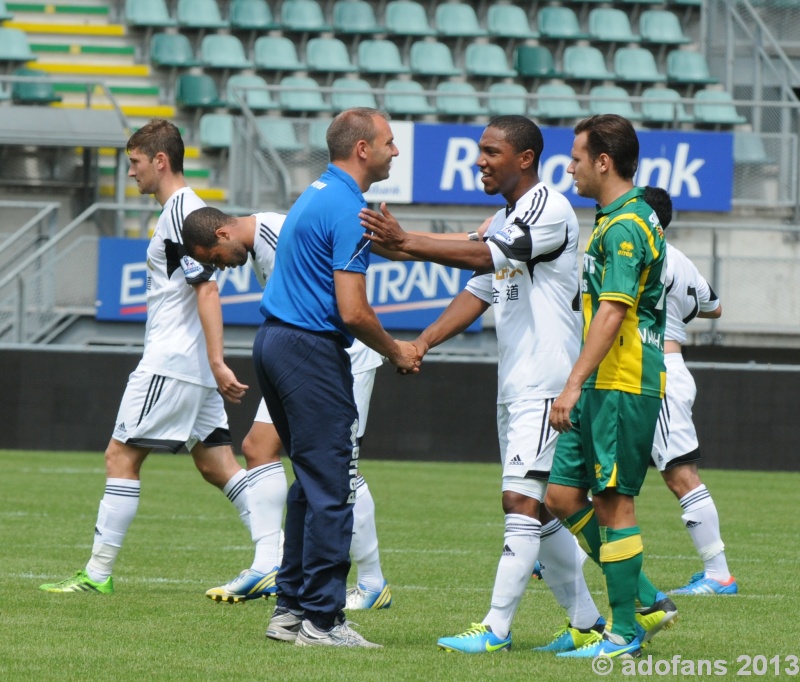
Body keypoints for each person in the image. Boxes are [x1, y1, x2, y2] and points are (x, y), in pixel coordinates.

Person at [361, 115, 606, 654]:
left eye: (492, 151)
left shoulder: (548, 208)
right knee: (536, 508)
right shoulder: (507, 217)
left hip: (548, 385)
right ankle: (588, 624)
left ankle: (495, 627)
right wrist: (421, 342)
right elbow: (480, 289)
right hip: (517, 385)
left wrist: (408, 240)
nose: (480, 161)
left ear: (525, 158)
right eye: (479, 150)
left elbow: (481, 254)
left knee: (519, 498)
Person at [39, 118, 255, 595]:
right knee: (217, 465)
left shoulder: (183, 213)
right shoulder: (182, 210)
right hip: (190, 364)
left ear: (160, 160)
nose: (130, 171)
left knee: (120, 456)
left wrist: (218, 361)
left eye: (135, 162)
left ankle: (96, 575)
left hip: (172, 362)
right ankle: (275, 556)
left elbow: (208, 290)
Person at [252, 107, 419, 649]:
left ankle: (291, 609)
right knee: (332, 485)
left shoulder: (317, 192)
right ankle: (325, 620)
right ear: (363, 149)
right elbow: (352, 310)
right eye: (389, 142)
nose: (396, 150)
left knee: (310, 481)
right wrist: (396, 350)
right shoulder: (348, 208)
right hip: (308, 349)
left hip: (275, 343)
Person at [182, 207, 392, 609]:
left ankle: (371, 582)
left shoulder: (281, 236)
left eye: (214, 258)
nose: (219, 268)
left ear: (224, 233)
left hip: (340, 357)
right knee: (258, 446)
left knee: (338, 466)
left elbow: (337, 298)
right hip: (303, 358)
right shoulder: (262, 242)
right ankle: (268, 564)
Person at [545, 115, 675, 659]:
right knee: (561, 496)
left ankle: (624, 632)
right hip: (601, 381)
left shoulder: (625, 226)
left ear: (603, 161)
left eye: (577, 156)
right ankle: (644, 598)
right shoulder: (614, 218)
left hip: (621, 381)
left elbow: (615, 312)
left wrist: (572, 384)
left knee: (614, 503)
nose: (570, 166)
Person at [642, 186, 737, 596]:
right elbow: (714, 306)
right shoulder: (680, 259)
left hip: (658, 369)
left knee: (680, 474)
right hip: (659, 365)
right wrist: (681, 303)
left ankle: (719, 574)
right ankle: (556, 551)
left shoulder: (642, 253)